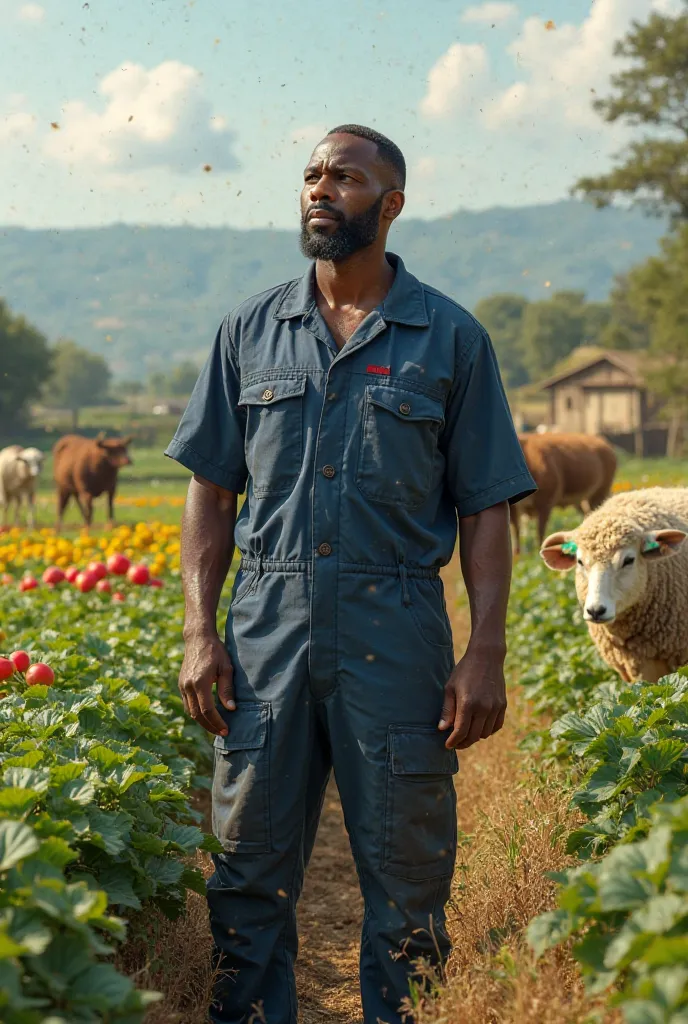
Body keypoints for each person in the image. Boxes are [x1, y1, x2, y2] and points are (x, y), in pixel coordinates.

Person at [165, 124, 536, 1024]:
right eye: (311, 175)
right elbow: (213, 494)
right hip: (268, 631)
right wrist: (199, 632)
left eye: (345, 176)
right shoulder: (249, 330)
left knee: (409, 886)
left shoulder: (450, 338)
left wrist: (484, 652)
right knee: (248, 873)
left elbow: (487, 508)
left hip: (396, 630)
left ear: (392, 203)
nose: (321, 188)